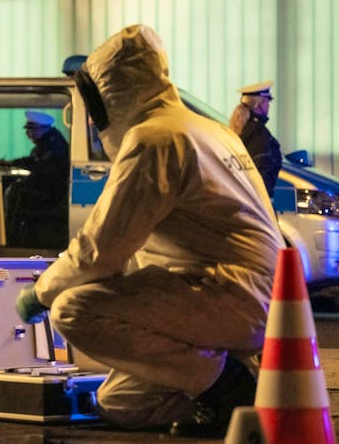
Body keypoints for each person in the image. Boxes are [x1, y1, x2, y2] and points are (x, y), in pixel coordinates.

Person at [15, 25, 283, 438]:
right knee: (120, 404)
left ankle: (227, 386)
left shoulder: (154, 139)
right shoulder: (206, 129)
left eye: (92, 103)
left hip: (230, 294)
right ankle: (232, 383)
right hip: (257, 297)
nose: (89, 117)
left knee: (73, 308)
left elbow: (100, 249)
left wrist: (40, 292)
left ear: (112, 96)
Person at [4, 111, 70, 248]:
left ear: (43, 129)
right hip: (47, 191)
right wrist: (11, 163)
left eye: (31, 130)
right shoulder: (46, 143)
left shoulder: (53, 146)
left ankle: (10, 239)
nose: (28, 134)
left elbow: (42, 169)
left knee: (17, 194)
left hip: (51, 195)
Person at [229, 80, 282, 197]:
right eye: (267, 101)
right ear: (260, 104)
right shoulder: (259, 134)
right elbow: (261, 175)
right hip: (256, 201)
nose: (268, 105)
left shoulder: (237, 130)